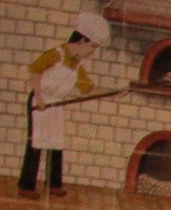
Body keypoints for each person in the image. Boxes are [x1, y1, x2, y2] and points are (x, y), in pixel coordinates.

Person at [20, 11, 110, 197]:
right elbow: (34, 72)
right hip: (40, 101)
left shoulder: (77, 66)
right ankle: (26, 186)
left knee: (56, 143)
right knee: (36, 142)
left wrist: (114, 92)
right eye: (92, 46)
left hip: (56, 104)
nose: (92, 52)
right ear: (82, 40)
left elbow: (88, 89)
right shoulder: (56, 54)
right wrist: (39, 98)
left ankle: (53, 185)